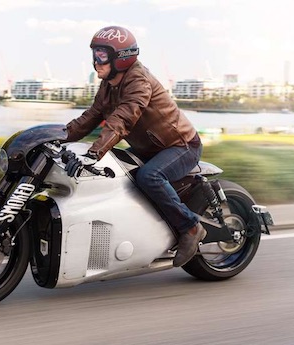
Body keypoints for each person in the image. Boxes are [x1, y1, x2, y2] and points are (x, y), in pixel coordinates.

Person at [64, 25, 206, 267]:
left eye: (101, 55)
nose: (95, 62)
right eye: (94, 55)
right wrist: (59, 136)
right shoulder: (109, 84)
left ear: (121, 58)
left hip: (180, 145)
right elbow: (92, 116)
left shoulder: (139, 81)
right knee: (116, 176)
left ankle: (191, 228)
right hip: (149, 148)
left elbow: (123, 119)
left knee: (149, 177)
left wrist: (94, 153)